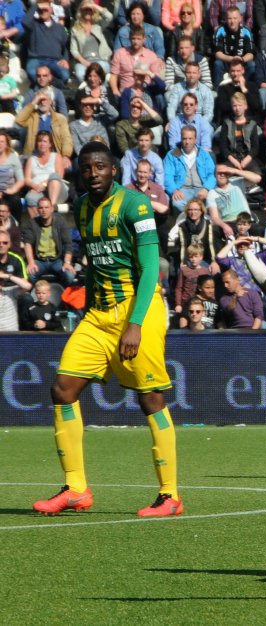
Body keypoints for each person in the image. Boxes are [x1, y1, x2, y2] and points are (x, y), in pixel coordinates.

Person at [32, 141, 183, 517]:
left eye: (100, 166)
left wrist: (133, 325)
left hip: (138, 309)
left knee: (150, 398)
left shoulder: (136, 204)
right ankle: (76, 489)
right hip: (98, 316)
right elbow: (97, 267)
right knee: (63, 389)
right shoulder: (81, 209)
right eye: (86, 168)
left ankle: (170, 495)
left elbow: (151, 268)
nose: (93, 173)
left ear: (114, 170)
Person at [22, 196, 75, 284]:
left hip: (57, 260)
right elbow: (27, 244)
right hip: (40, 260)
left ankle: (61, 293)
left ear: (52, 209)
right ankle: (38, 294)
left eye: (46, 207)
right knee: (30, 274)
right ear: (38, 210)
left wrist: (67, 262)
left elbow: (68, 243)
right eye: (41, 208)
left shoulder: (60, 221)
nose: (44, 210)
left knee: (69, 275)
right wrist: (31, 262)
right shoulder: (31, 223)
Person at [163, 125, 216, 212]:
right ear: (181, 138)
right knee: (177, 204)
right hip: (182, 189)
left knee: (214, 201)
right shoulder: (171, 155)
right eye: (184, 138)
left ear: (195, 139)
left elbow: (212, 173)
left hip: (201, 188)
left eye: (190, 138)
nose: (187, 141)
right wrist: (174, 190)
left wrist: (206, 188)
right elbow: (167, 176)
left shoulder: (203, 154)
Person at [22, 1, 70, 88]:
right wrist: (36, 5)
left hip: (54, 60)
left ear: (51, 11)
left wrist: (65, 59)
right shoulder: (33, 24)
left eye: (45, 10)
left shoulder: (59, 28)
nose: (43, 11)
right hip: (36, 59)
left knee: (65, 75)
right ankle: (42, 90)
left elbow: (65, 47)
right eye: (40, 10)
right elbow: (25, 22)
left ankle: (52, 90)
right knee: (32, 72)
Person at [23, 130, 69, 211]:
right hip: (39, 190)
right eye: (39, 141)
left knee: (54, 176)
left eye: (44, 141)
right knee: (30, 197)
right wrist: (36, 186)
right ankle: (37, 222)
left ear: (50, 144)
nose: (42, 144)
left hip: (57, 190)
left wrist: (44, 184)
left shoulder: (56, 156)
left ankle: (52, 206)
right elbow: (27, 179)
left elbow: (59, 175)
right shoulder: (31, 159)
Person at [70, 0, 114, 82]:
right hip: (84, 61)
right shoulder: (75, 29)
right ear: (81, 11)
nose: (87, 12)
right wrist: (84, 62)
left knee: (100, 71)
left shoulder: (98, 25)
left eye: (89, 10)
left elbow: (109, 16)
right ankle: (86, 92)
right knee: (80, 73)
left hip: (101, 59)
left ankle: (102, 92)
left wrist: (94, 6)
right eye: (85, 10)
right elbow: (74, 50)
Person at [212, 6, 255, 88]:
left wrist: (242, 59)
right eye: (229, 18)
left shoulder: (246, 31)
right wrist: (231, 59)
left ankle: (249, 89)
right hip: (226, 62)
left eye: (235, 18)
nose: (232, 21)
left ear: (240, 18)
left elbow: (251, 54)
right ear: (225, 19)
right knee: (217, 63)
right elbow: (218, 54)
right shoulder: (220, 30)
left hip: (241, 62)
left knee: (251, 65)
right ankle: (217, 92)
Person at [0, 229, 29, 330]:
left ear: (9, 244)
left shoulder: (16, 259)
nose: (1, 245)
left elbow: (26, 285)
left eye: (5, 243)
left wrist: (7, 276)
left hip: (12, 291)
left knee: (27, 298)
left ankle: (24, 327)